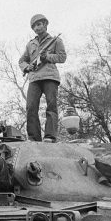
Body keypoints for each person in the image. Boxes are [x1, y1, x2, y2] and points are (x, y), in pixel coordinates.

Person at [19, 14, 67, 142]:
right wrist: (27, 67)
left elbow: (62, 57)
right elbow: (22, 61)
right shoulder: (30, 44)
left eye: (39, 24)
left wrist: (48, 57)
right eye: (34, 26)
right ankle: (34, 137)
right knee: (30, 107)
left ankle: (50, 136)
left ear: (45, 24)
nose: (37, 28)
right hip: (34, 78)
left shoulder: (56, 41)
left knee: (51, 105)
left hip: (50, 77)